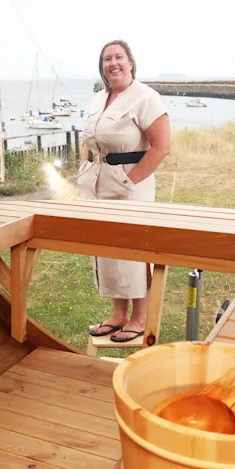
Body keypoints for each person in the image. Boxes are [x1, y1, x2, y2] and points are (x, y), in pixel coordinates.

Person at [77, 40, 170, 343]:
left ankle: (140, 318)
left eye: (118, 57)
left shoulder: (146, 98)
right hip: (97, 185)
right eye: (106, 59)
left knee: (134, 252)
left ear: (131, 62)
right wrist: (84, 170)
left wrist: (132, 181)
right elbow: (88, 142)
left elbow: (161, 146)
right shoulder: (97, 99)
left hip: (130, 187)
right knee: (106, 250)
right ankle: (118, 314)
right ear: (101, 66)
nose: (112, 63)